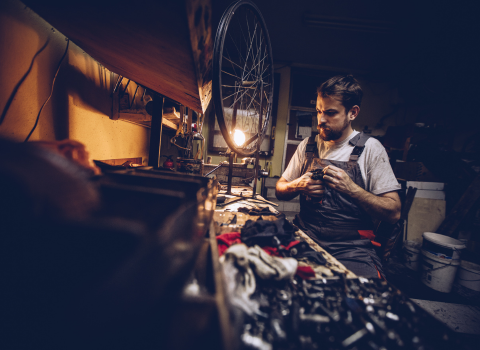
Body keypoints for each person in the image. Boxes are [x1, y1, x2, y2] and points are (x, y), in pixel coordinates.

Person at [275, 74, 401, 279]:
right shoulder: (308, 145)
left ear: (353, 112)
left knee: (365, 297)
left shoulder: (371, 149)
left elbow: (393, 212)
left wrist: (352, 189)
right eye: (319, 111)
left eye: (330, 113)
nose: (321, 119)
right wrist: (297, 185)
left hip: (352, 247)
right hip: (305, 236)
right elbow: (280, 189)